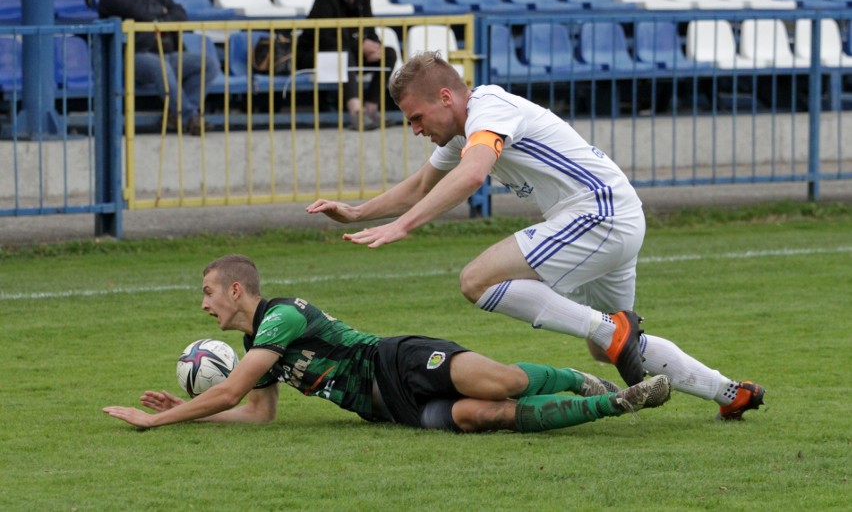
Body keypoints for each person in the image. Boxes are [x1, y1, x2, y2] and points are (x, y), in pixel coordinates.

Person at [306, 51, 765, 421]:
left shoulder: (489, 108)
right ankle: (729, 391)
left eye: (416, 116)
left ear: (446, 96)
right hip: (616, 217)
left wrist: (403, 226)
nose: (415, 129)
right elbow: (420, 185)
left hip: (597, 212)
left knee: (476, 281)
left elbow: (471, 175)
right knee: (608, 351)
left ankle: (610, 328)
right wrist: (356, 212)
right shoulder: (462, 133)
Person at [103, 254, 671, 432]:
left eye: (207, 293)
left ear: (235, 289)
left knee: (506, 383)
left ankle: (577, 378)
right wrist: (189, 415)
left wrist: (157, 421)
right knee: (482, 416)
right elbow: (255, 413)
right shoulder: (259, 346)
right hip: (389, 409)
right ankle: (616, 403)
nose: (204, 305)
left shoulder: (281, 317)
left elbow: (230, 392)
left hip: (394, 359)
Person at [98, 0, 218, 136]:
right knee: (160, 66)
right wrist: (161, 13)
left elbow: (180, 13)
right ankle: (189, 117)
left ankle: (175, 115)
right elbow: (140, 13)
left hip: (166, 53)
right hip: (130, 56)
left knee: (207, 64)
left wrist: (159, 16)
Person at [296, 0, 397, 131]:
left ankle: (371, 109)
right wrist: (359, 45)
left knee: (388, 53)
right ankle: (355, 113)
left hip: (349, 51)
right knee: (343, 53)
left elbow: (370, 30)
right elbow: (325, 38)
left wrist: (374, 46)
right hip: (315, 54)